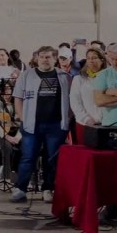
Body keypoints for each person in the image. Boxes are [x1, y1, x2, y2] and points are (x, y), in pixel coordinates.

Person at [10, 46, 71, 204]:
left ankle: (48, 189)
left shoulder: (64, 76)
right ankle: (21, 188)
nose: (45, 59)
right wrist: (22, 117)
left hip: (56, 126)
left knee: (51, 159)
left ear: (55, 58)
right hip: (32, 125)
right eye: (42, 56)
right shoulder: (26, 75)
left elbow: (72, 100)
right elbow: (18, 97)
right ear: (37, 58)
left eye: (48, 56)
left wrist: (68, 117)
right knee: (28, 157)